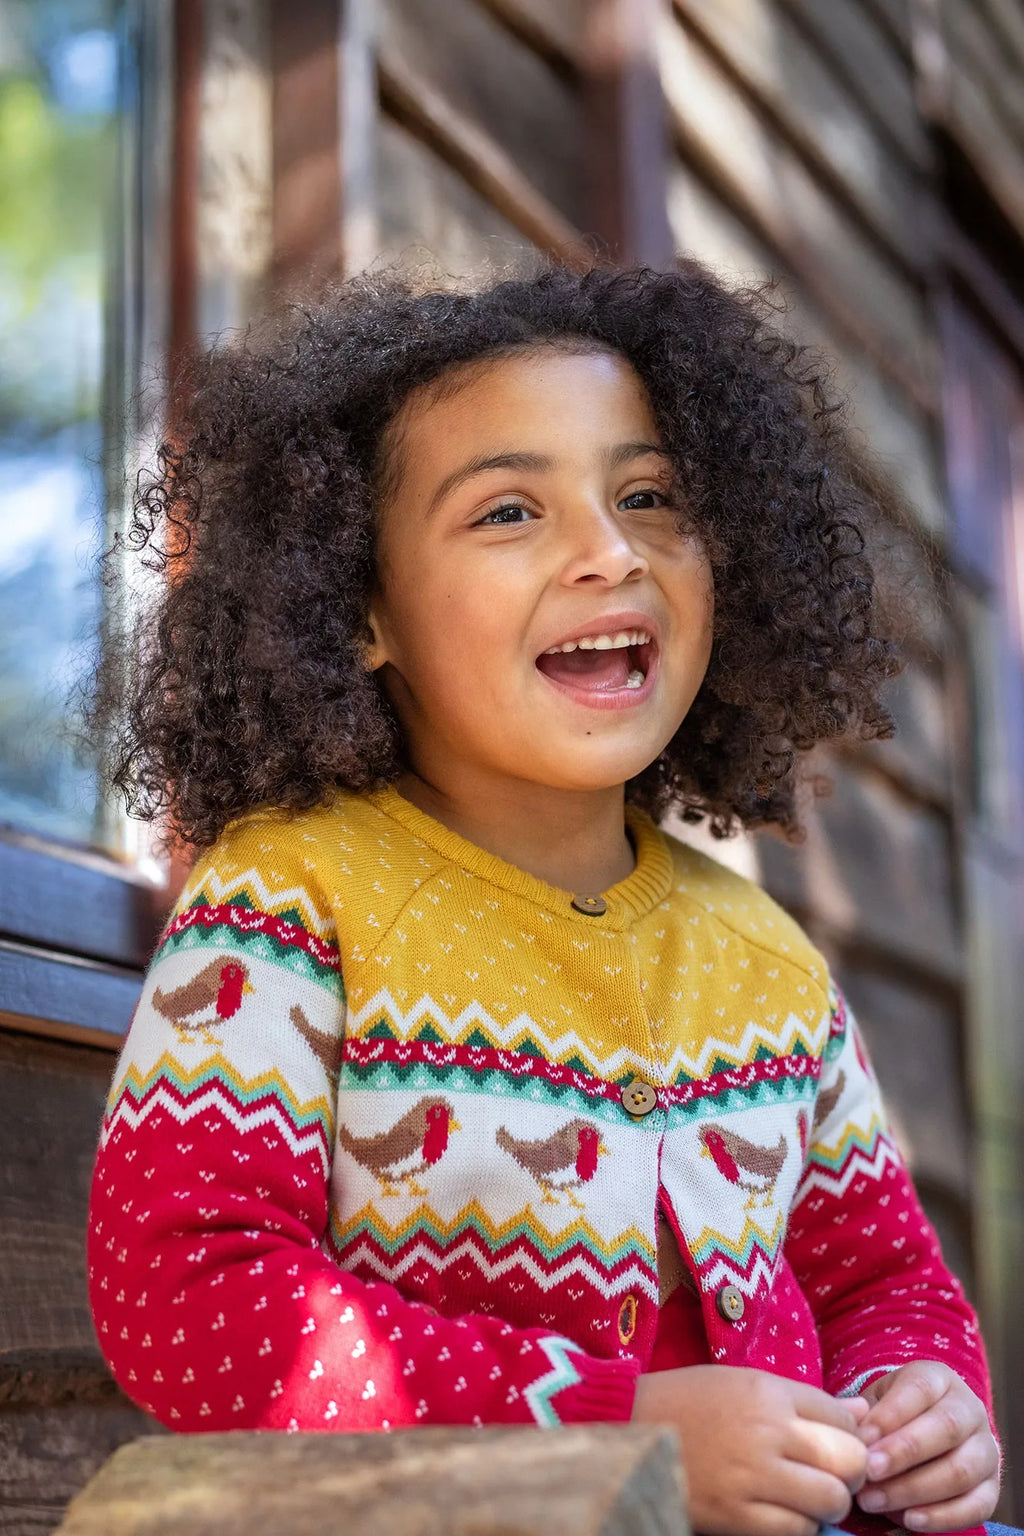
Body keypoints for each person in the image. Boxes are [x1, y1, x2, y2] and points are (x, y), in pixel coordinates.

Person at [87, 260, 1001, 1536]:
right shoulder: (290, 901)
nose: (610, 552)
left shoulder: (768, 962)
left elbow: (881, 1279)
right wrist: (602, 1424)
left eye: (649, 497)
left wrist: (922, 1401)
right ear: (359, 609)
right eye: (509, 510)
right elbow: (185, 1297)